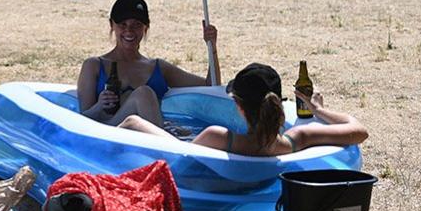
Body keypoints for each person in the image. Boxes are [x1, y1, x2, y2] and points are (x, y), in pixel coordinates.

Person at [128, 62, 369, 156]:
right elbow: (359, 130)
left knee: (132, 123)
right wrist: (318, 110)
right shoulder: (298, 138)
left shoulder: (220, 137)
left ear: (238, 107)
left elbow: (181, 160)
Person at [77, 0, 220, 133]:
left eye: (136, 25)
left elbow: (211, 86)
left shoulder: (157, 67)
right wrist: (99, 107)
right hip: (110, 135)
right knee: (143, 94)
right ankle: (169, 147)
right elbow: (80, 120)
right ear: (111, 25)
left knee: (184, 131)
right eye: (122, 24)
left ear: (146, 27)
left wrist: (211, 46)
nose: (129, 31)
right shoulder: (94, 65)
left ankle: (168, 140)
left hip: (149, 138)